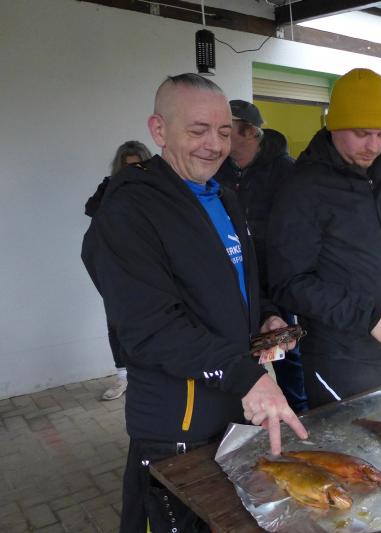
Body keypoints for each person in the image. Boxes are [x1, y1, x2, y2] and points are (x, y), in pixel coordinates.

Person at [81, 73, 307, 533]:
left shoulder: (223, 197)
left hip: (232, 408)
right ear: (159, 130)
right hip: (176, 423)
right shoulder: (129, 210)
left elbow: (237, 282)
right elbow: (149, 329)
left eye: (223, 132)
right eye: (198, 130)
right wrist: (247, 377)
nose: (214, 145)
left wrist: (265, 315)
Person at [265, 68, 381, 409]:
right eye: (362, 134)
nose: (373, 145)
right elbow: (289, 284)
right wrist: (369, 316)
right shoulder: (303, 186)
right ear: (335, 125)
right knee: (351, 441)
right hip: (339, 360)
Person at [216, 100, 308, 413]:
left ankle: (298, 411)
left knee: (285, 349)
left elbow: (300, 229)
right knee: (237, 349)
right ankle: (246, 410)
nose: (218, 134)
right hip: (232, 278)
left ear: (250, 132)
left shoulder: (287, 171)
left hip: (277, 279)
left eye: (226, 128)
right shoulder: (217, 170)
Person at [84, 140, 152, 401]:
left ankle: (148, 375)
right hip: (115, 263)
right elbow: (91, 209)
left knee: (154, 318)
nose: (133, 171)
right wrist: (115, 188)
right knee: (116, 319)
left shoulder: (158, 188)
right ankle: (123, 376)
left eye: (138, 166)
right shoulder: (111, 185)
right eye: (127, 167)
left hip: (148, 263)